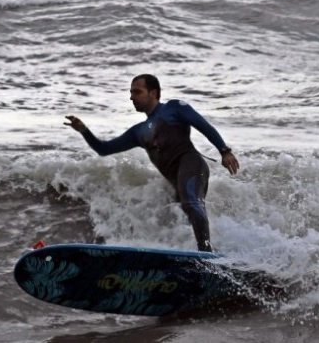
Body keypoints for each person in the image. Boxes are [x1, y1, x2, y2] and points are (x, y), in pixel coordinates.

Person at [64, 74, 239, 252]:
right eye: (131, 92)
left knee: (190, 203)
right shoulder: (138, 132)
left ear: (153, 93)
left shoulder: (174, 108)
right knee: (184, 213)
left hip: (192, 165)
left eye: (137, 92)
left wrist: (224, 151)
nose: (131, 97)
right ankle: (198, 253)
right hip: (177, 179)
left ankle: (206, 253)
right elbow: (104, 149)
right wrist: (84, 131)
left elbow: (203, 125)